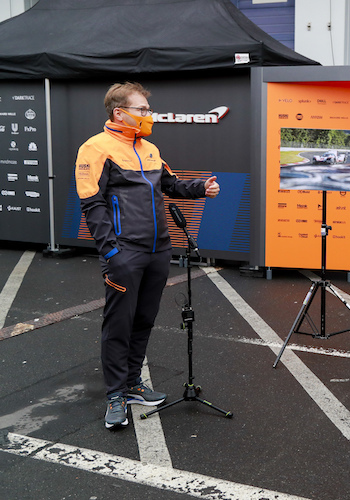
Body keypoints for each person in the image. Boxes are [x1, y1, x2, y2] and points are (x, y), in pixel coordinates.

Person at [75, 82, 220, 429]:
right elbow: (92, 205)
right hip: (124, 253)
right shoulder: (95, 148)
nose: (147, 115)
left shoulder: (150, 149)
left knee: (143, 320)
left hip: (158, 251)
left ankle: (132, 383)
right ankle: (115, 394)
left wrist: (201, 188)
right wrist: (112, 252)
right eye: (141, 110)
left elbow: (169, 184)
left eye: (147, 110)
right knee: (118, 325)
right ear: (119, 113)